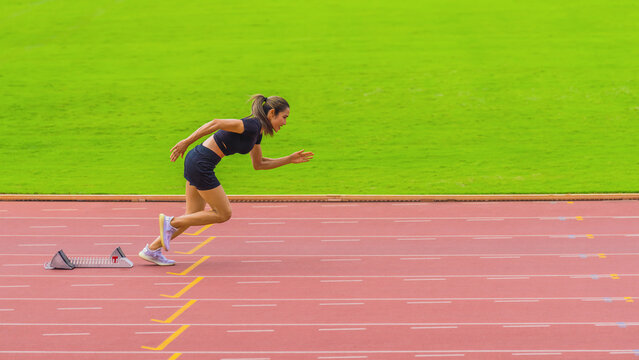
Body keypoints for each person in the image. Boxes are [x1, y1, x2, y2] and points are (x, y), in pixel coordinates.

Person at [138, 94, 313, 265]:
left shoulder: (257, 132)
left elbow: (259, 164)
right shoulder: (251, 125)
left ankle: (151, 250)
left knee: (193, 216)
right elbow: (216, 123)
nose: (285, 122)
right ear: (271, 113)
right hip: (201, 164)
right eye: (284, 117)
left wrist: (289, 159)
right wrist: (186, 141)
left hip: (197, 160)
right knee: (223, 213)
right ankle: (171, 222)